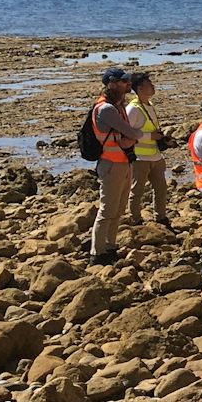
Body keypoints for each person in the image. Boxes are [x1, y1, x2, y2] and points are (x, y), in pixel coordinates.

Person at [87, 68, 143, 263]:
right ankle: (97, 252)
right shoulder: (107, 109)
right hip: (111, 165)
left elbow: (131, 136)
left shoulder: (117, 106)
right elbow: (134, 134)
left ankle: (110, 246)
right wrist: (132, 137)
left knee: (118, 209)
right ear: (111, 83)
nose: (128, 83)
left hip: (123, 162)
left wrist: (130, 138)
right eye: (123, 81)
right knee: (107, 210)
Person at [123, 71, 173, 228]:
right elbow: (126, 133)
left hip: (155, 156)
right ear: (139, 88)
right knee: (136, 191)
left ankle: (161, 217)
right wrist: (149, 136)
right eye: (149, 84)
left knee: (161, 188)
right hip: (139, 158)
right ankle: (136, 219)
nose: (153, 86)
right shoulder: (133, 109)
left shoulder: (149, 106)